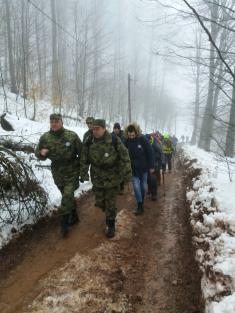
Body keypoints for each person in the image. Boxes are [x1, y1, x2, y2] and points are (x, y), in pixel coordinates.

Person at [80, 119, 132, 238]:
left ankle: (111, 225)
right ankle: (108, 213)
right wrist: (83, 172)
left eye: (97, 129)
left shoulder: (114, 140)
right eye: (93, 129)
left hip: (112, 177)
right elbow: (84, 158)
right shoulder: (89, 141)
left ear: (104, 128)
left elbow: (125, 157)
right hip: (97, 178)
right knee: (100, 202)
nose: (95, 131)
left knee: (110, 203)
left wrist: (127, 175)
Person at [35, 113, 82, 237]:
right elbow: (38, 153)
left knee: (67, 195)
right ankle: (75, 216)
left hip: (72, 170)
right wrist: (41, 153)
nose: (54, 124)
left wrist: (82, 171)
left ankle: (64, 224)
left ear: (62, 122)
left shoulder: (71, 136)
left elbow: (82, 153)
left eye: (56, 121)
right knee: (66, 195)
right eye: (52, 122)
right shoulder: (46, 137)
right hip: (57, 172)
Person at [124, 123, 155, 215]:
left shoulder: (142, 140)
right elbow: (121, 152)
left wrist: (152, 166)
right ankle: (140, 206)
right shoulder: (126, 141)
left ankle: (141, 200)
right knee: (136, 187)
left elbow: (150, 152)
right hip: (133, 168)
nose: (131, 137)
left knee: (144, 187)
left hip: (143, 168)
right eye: (129, 135)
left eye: (133, 135)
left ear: (136, 133)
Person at [146, 133, 162, 201]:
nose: (148, 142)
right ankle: (149, 189)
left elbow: (161, 153)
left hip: (155, 164)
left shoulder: (155, 144)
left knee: (153, 179)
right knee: (148, 179)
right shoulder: (145, 145)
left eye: (148, 140)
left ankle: (154, 194)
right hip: (147, 164)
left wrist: (162, 163)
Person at [112, 122, 125, 194]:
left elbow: (124, 145)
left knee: (121, 172)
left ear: (119, 129)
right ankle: (116, 187)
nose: (116, 130)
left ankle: (121, 187)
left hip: (121, 156)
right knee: (114, 173)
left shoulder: (123, 136)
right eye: (115, 128)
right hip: (113, 157)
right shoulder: (111, 136)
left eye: (117, 129)